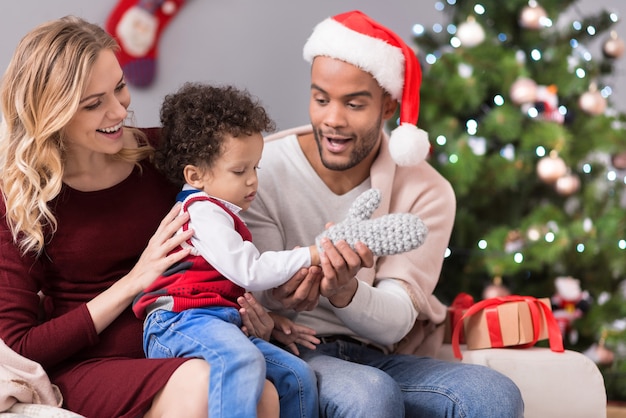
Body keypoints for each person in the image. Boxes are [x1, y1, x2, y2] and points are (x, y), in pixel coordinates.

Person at [242, 10, 525, 418]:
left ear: (388, 106)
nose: (332, 120)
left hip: (378, 353)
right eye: (320, 99)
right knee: (370, 393)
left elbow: (396, 321)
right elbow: (253, 282)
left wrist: (344, 291)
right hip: (289, 347)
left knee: (493, 395)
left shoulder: (427, 191)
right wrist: (277, 293)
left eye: (354, 104)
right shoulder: (263, 168)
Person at [0, 16, 279, 418]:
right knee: (202, 385)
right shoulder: (20, 197)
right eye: (94, 103)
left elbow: (227, 242)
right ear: (52, 113)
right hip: (92, 364)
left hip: (187, 337)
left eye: (119, 88)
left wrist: (256, 312)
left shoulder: (165, 155)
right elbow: (21, 346)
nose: (118, 110)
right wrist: (133, 282)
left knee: (264, 394)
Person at [132, 82, 320, 418]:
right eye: (239, 171)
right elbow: (250, 270)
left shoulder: (222, 213)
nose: (252, 181)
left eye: (255, 168)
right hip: (178, 322)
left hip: (218, 322)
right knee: (241, 359)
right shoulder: (203, 212)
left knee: (297, 377)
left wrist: (272, 317)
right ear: (196, 175)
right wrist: (310, 254)